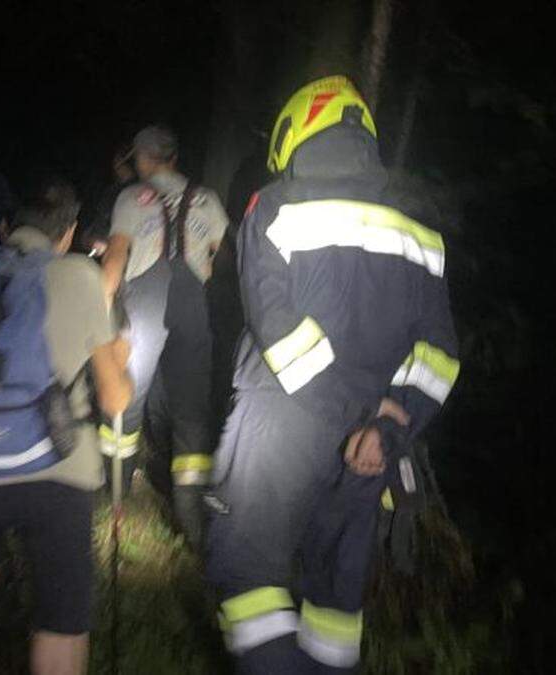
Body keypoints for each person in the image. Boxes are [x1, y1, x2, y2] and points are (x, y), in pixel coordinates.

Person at [204, 75, 461, 674]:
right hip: (374, 444)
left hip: (286, 423)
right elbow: (441, 354)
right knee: (335, 601)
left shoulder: (274, 204)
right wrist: (388, 423)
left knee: (243, 575)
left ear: (294, 134)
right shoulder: (423, 232)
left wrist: (342, 410)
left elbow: (274, 322)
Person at [0, 179, 133, 675]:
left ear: (7, 227)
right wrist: (120, 363)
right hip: (54, 468)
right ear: (67, 234)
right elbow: (113, 397)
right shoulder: (80, 276)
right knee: (60, 619)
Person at [99, 125, 229, 546]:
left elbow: (116, 257)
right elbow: (223, 254)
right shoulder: (207, 199)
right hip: (192, 304)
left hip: (145, 303)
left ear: (141, 159)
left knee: (128, 394)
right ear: (174, 158)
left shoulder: (130, 198)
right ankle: (191, 517)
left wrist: (103, 314)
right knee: (192, 410)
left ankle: (116, 493)